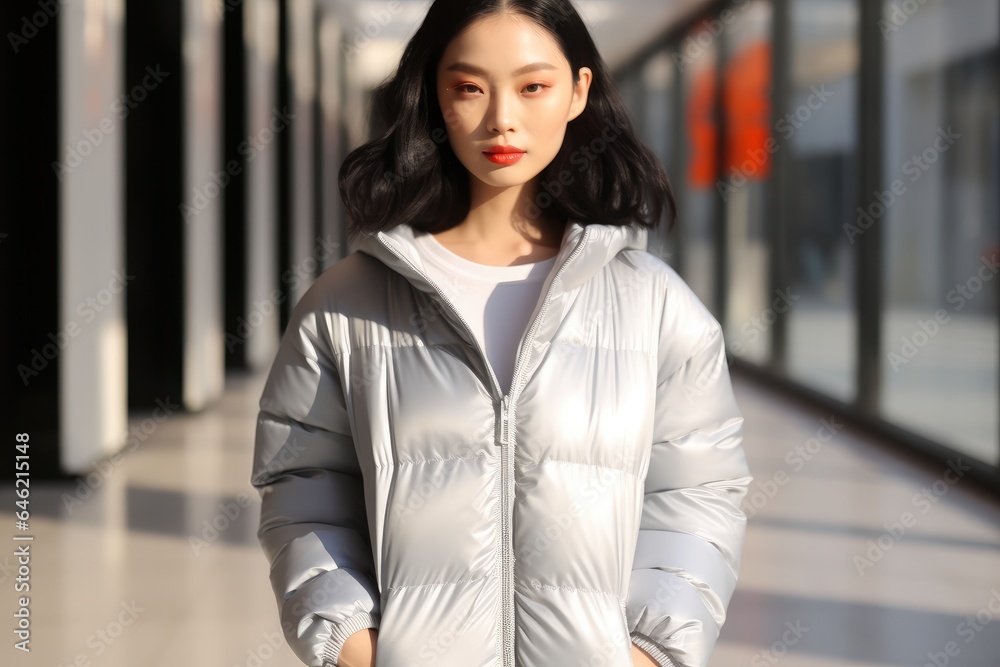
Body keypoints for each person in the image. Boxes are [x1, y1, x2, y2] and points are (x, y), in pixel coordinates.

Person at [250, 1, 752, 666]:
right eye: (469, 88)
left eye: (532, 86)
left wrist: (651, 649)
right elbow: (303, 481)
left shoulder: (657, 306)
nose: (501, 119)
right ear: (433, 95)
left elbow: (696, 492)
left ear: (578, 92)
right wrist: (350, 639)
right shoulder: (346, 305)